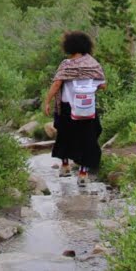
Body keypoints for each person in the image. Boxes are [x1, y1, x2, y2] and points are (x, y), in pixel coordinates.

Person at [43, 31, 106, 186]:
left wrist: (47, 101)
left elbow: (57, 84)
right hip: (87, 109)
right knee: (88, 139)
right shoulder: (93, 63)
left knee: (64, 136)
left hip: (66, 108)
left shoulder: (66, 64)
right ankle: (83, 174)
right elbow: (103, 85)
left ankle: (65, 166)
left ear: (69, 46)